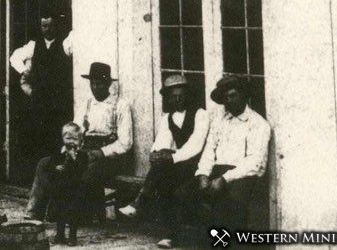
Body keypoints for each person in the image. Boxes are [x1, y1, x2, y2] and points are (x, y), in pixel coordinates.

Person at [27, 61, 130, 222]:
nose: (95, 87)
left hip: (111, 158)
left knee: (79, 170)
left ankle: (70, 214)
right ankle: (34, 213)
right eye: (93, 83)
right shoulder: (87, 104)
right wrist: (68, 149)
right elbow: (75, 132)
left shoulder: (121, 105)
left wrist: (101, 152)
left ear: (109, 83)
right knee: (45, 163)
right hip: (86, 150)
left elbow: (125, 142)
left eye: (100, 84)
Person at [179, 75, 271, 241]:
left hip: (242, 175)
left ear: (244, 95)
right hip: (217, 171)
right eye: (225, 97)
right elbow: (209, 150)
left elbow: (255, 163)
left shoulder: (259, 124)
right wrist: (203, 175)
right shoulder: (220, 121)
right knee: (184, 193)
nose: (229, 101)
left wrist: (224, 179)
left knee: (228, 204)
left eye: (233, 95)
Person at [117, 73, 209, 228]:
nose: (178, 100)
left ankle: (140, 202)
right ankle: (167, 228)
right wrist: (156, 153)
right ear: (168, 98)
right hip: (179, 165)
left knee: (163, 168)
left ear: (187, 95)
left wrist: (170, 158)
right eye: (174, 97)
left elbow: (196, 145)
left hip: (198, 165)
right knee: (162, 162)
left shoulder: (200, 114)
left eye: (181, 96)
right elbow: (162, 140)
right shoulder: (168, 118)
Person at [10, 9, 74, 158]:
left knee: (58, 137)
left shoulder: (65, 44)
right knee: (39, 136)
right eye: (44, 26)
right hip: (39, 99)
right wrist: (24, 72)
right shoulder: (33, 45)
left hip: (58, 100)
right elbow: (14, 57)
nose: (47, 29)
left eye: (50, 26)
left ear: (56, 26)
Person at [47, 123, 89, 247]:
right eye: (68, 138)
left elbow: (82, 170)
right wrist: (55, 168)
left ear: (81, 141)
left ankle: (72, 236)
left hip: (75, 189)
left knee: (73, 214)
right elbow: (50, 166)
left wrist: (74, 158)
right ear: (62, 138)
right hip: (60, 189)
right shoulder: (58, 153)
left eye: (75, 139)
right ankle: (59, 234)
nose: (71, 142)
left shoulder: (82, 156)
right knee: (60, 212)